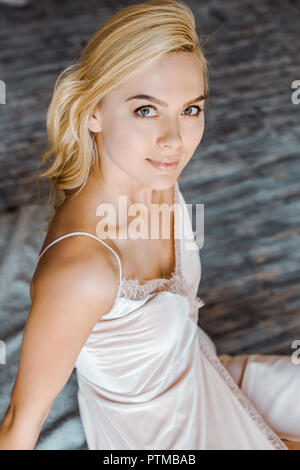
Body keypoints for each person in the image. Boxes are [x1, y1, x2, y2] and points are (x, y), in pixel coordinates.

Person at [0, 0, 299, 450]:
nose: (174, 140)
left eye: (190, 110)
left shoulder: (155, 175)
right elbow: (19, 425)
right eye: (146, 110)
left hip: (203, 372)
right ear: (92, 111)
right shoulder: (83, 271)